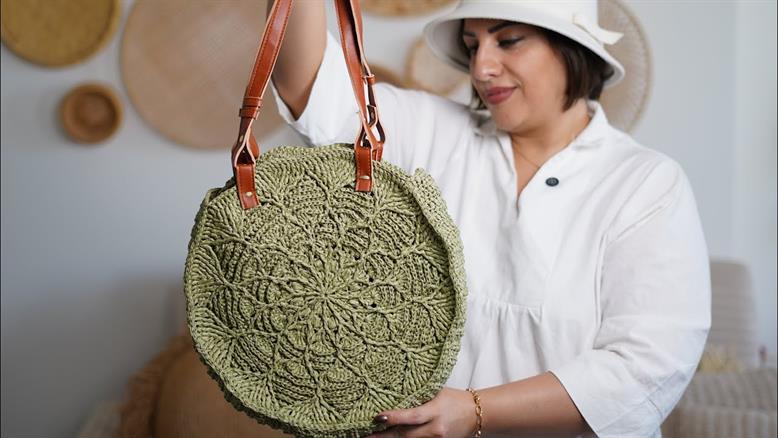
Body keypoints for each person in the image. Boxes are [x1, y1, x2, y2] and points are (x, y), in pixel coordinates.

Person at [269, 1, 711, 437]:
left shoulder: (645, 184)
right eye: (472, 45)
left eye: (509, 41)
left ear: (573, 48)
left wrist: (474, 411)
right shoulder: (434, 132)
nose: (481, 68)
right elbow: (314, 91)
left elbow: (646, 367)